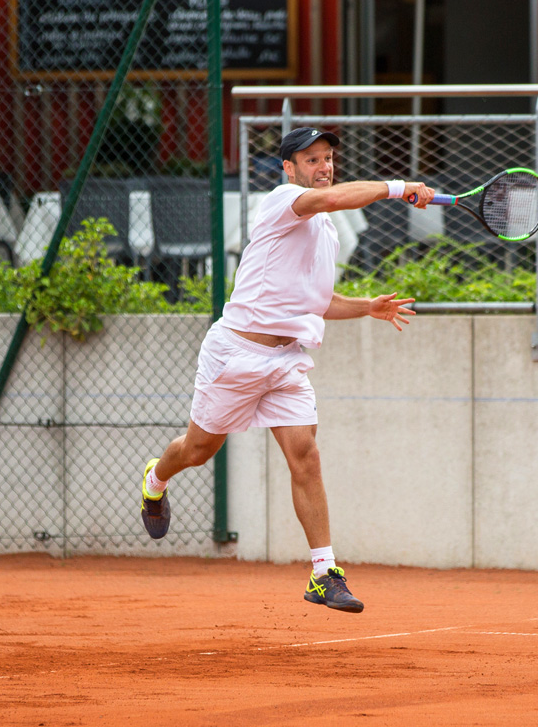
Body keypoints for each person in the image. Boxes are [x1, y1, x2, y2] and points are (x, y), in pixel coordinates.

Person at [139, 127, 433, 613]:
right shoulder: (283, 200)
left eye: (329, 158)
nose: (323, 167)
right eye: (312, 159)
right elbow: (333, 199)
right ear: (289, 169)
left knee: (306, 454)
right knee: (197, 450)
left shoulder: (325, 231)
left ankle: (324, 573)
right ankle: (155, 480)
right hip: (236, 354)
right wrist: (399, 188)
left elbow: (314, 302)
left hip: (287, 359)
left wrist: (365, 307)